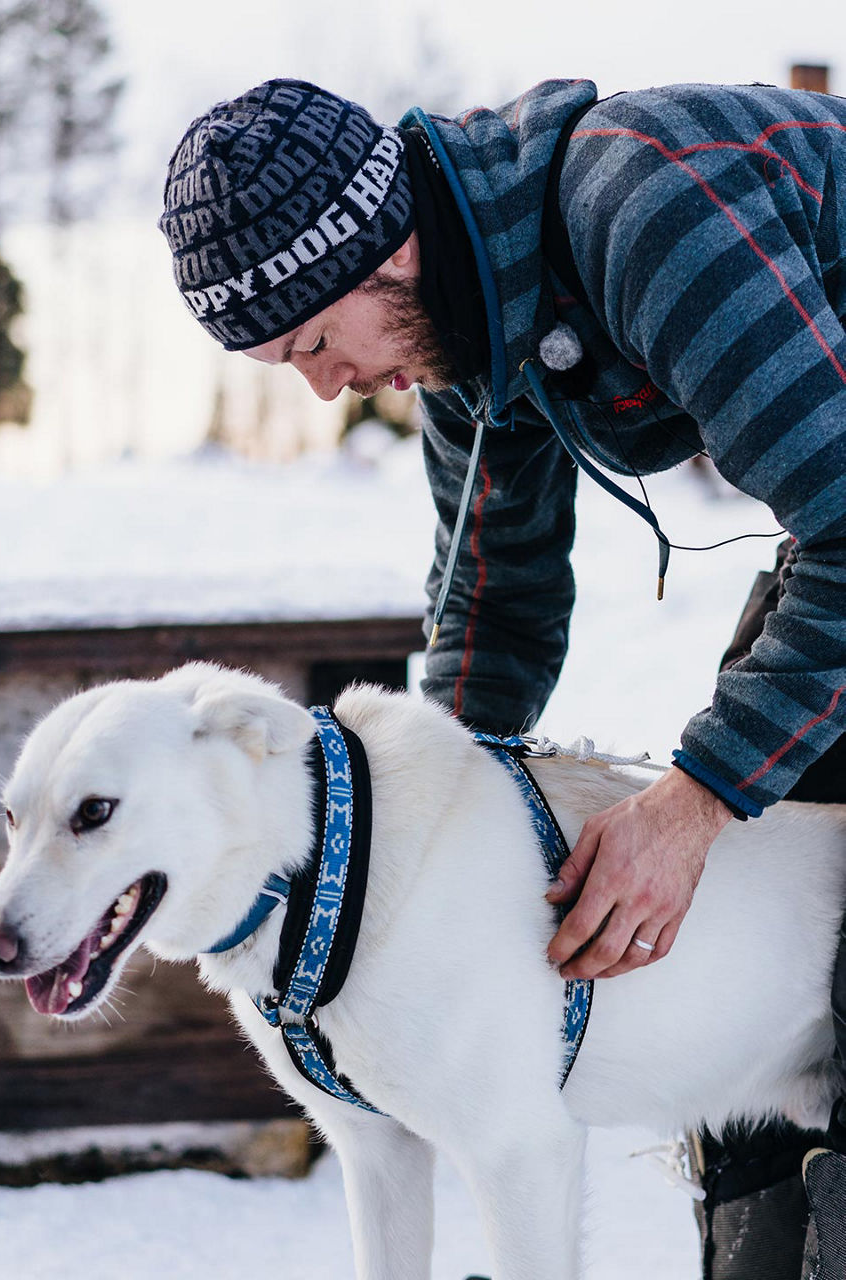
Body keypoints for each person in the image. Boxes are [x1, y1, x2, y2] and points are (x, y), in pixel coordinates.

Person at [160, 77, 846, 1278]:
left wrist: (691, 802)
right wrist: (410, 839)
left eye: (316, 341)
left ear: (387, 246)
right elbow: (493, 599)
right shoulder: (473, 334)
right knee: (767, 866)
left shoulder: (650, 213)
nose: (324, 386)